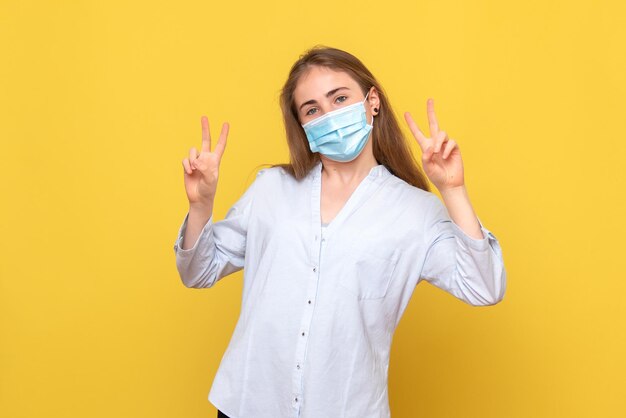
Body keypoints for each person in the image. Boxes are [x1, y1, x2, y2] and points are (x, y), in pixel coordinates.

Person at [173, 45, 507, 418]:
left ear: (372, 101)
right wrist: (201, 206)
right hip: (249, 404)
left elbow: (485, 287)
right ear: (302, 125)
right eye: (313, 109)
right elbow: (197, 272)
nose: (329, 115)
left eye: (340, 98)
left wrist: (453, 190)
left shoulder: (415, 212)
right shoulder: (271, 189)